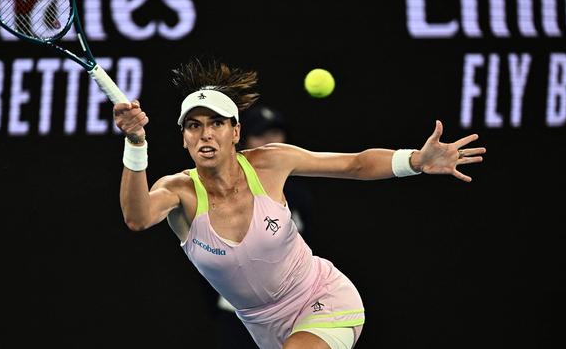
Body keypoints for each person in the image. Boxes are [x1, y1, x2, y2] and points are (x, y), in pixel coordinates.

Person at [113, 57, 486, 349]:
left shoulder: (270, 162)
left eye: (216, 123)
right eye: (193, 125)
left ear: (235, 131)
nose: (206, 133)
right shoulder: (179, 191)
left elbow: (354, 164)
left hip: (323, 299)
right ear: (184, 138)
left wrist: (415, 161)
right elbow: (137, 217)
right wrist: (135, 143)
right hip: (264, 330)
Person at [212, 104, 316, 348]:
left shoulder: (299, 195)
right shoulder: (220, 192)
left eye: (276, 133)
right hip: (238, 314)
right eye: (261, 134)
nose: (270, 142)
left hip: (291, 311)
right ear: (243, 139)